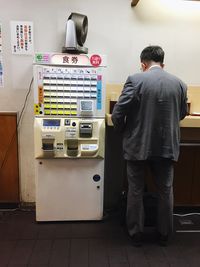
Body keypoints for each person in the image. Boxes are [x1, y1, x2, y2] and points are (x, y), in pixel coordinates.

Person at [111, 45, 188, 246]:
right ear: (163, 63)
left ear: (143, 64)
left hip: (138, 144)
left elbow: (118, 113)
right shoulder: (179, 84)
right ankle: (164, 234)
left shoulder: (136, 80)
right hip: (166, 146)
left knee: (135, 189)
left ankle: (136, 233)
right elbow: (182, 113)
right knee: (165, 189)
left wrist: (123, 131)